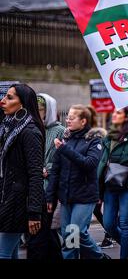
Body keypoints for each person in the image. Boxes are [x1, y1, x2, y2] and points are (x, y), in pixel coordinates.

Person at [46, 104, 108, 259]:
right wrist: (50, 196)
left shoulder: (95, 140)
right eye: (67, 117)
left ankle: (99, 257)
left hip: (85, 196)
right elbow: (56, 170)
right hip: (66, 196)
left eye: (72, 118)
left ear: (83, 121)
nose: (67, 120)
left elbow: (89, 164)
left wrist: (64, 149)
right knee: (69, 236)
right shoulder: (65, 139)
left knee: (77, 232)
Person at [0, 84, 45, 259]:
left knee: (3, 253)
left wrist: (34, 212)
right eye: (5, 96)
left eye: (10, 97)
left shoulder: (29, 132)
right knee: (10, 253)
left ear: (23, 105)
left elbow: (35, 174)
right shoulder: (8, 127)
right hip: (9, 198)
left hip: (21, 202)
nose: (3, 100)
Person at [97, 107, 128, 259]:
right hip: (109, 185)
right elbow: (102, 164)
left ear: (126, 117)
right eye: (114, 112)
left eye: (118, 113)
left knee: (126, 224)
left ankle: (124, 256)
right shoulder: (108, 137)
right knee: (108, 224)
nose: (114, 115)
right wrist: (98, 190)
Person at [27, 93, 65, 259]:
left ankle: (93, 254)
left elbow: (67, 161)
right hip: (39, 190)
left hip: (60, 191)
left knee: (75, 232)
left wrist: (47, 169)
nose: (37, 112)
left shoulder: (61, 132)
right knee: (46, 233)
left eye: (41, 109)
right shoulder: (33, 129)